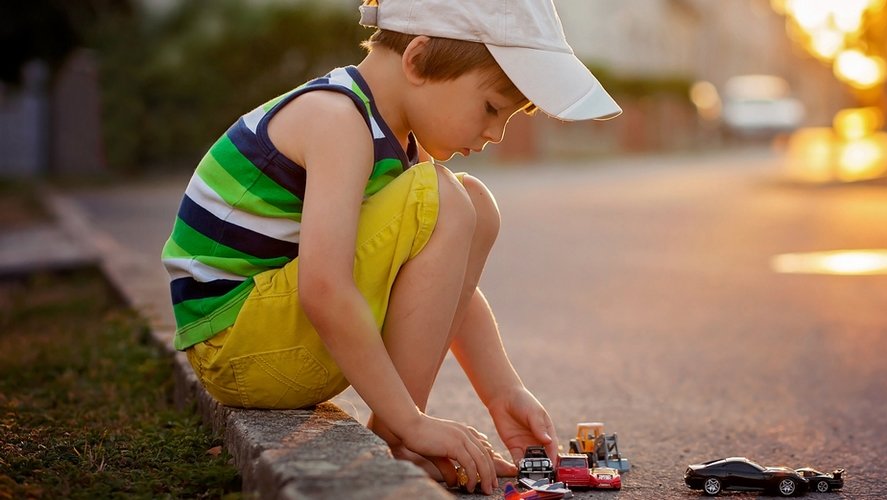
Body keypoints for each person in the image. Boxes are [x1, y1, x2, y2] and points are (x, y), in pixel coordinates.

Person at [161, 0, 620, 494]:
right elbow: (324, 288)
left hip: (276, 342)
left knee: (473, 204)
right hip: (239, 344)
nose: (494, 133)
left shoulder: (393, 139)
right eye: (491, 107)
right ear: (418, 58)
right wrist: (414, 421)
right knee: (446, 197)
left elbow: (441, 284)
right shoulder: (337, 118)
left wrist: (503, 391)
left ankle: (399, 430)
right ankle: (402, 430)